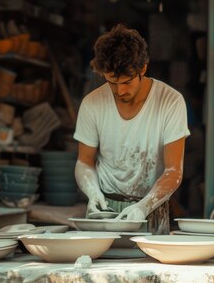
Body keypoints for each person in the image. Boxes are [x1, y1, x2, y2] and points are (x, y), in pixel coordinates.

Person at [73, 24, 190, 234]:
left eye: (126, 81)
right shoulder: (92, 103)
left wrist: (143, 207)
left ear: (142, 69)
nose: (120, 90)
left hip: (150, 209)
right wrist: (92, 193)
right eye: (111, 82)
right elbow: (84, 161)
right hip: (104, 209)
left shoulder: (171, 101)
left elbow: (174, 171)